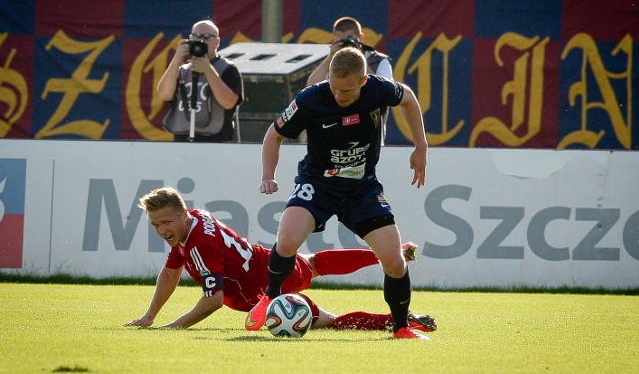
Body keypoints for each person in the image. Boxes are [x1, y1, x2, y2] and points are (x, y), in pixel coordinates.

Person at [245, 47, 430, 339]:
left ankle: (401, 327)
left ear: (363, 81)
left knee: (395, 261)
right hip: (317, 184)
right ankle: (270, 296)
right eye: (334, 87)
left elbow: (407, 97)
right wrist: (269, 175)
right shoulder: (310, 99)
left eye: (346, 90)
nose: (339, 96)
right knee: (288, 240)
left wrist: (421, 145)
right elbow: (274, 134)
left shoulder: (378, 90)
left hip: (362, 189)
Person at [124, 186, 436, 334]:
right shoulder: (194, 219)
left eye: (166, 222)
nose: (162, 230)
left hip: (268, 286)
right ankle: (391, 268)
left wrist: (172, 327)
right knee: (314, 266)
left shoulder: (200, 245)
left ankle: (402, 317)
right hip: (262, 272)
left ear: (181, 213)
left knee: (326, 315)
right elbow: (170, 272)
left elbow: (213, 300)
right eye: (155, 225)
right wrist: (150, 315)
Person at [306, 16, 393, 143]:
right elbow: (310, 88)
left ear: (361, 38)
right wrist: (331, 57)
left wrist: (360, 59)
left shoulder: (378, 61)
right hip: (334, 136)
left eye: (349, 39)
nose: (346, 44)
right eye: (340, 40)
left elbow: (387, 92)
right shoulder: (332, 61)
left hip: (369, 136)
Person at [158, 19, 243, 142]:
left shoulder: (227, 68)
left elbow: (229, 102)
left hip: (217, 140)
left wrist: (208, 70)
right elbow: (164, 95)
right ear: (190, 39)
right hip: (182, 139)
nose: (201, 41)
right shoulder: (182, 70)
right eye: (196, 37)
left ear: (217, 42)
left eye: (207, 37)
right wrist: (176, 60)